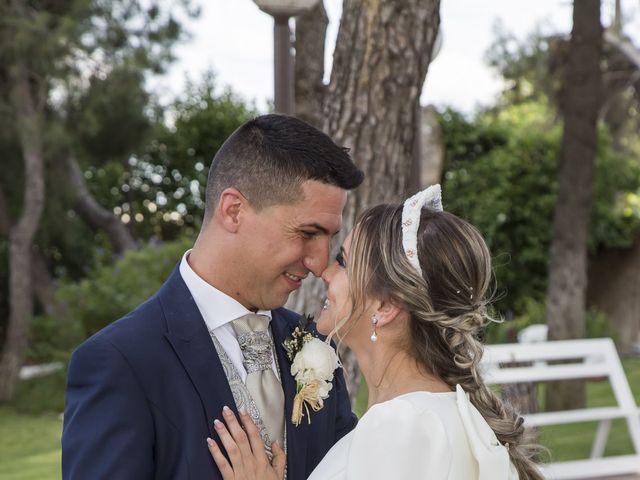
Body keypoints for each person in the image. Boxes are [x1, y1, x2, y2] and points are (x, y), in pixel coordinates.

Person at [62, 114, 363, 480]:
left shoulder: (313, 350)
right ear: (233, 210)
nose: (319, 261)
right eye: (307, 233)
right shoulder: (121, 363)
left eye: (329, 237)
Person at [206, 185, 543, 480]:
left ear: (385, 306)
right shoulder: (442, 413)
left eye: (345, 262)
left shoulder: (399, 426)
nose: (325, 271)